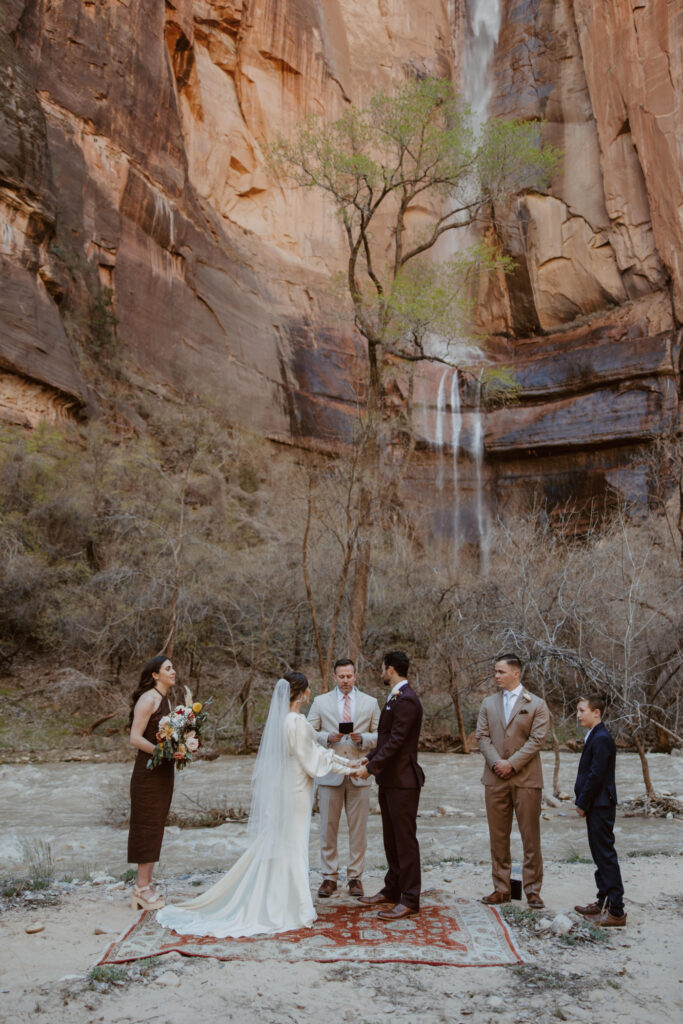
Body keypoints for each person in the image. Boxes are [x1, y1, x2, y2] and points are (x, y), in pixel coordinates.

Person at [156, 673, 358, 938]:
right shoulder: (296, 721)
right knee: (293, 843)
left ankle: (283, 900)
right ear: (302, 693)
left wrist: (348, 766)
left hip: (287, 785)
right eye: (308, 689)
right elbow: (314, 759)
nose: (309, 693)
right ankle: (291, 908)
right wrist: (351, 768)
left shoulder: (283, 720)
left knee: (283, 843)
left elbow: (315, 754)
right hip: (295, 789)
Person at [476, 654, 549, 909]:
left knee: (531, 836)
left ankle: (532, 890)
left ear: (515, 673)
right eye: (495, 671)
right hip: (495, 778)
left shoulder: (537, 704)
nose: (496, 676)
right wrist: (498, 763)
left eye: (500, 672)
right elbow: (482, 737)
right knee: (498, 836)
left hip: (527, 780)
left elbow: (537, 740)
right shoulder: (488, 703)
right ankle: (501, 888)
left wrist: (512, 764)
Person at [355, 650, 424, 920]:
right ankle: (393, 889)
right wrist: (368, 758)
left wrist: (370, 769)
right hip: (390, 780)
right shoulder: (396, 697)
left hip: (404, 781)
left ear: (391, 669)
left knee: (405, 841)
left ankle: (410, 899)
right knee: (391, 839)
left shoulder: (406, 700)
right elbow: (387, 740)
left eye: (383, 668)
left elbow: (397, 742)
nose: (381, 672)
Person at [307, 658, 380, 898]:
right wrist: (328, 737)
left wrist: (365, 739)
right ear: (334, 677)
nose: (346, 680)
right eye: (341, 676)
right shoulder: (320, 702)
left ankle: (355, 877)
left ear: (356, 676)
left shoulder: (370, 702)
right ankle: (329, 877)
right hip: (330, 773)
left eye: (349, 676)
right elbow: (308, 732)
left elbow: (382, 735)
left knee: (358, 829)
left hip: (360, 771)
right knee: (328, 827)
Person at [128, 654, 177, 911]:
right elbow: (135, 738)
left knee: (156, 825)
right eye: (168, 668)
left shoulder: (165, 699)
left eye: (173, 667)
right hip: (147, 773)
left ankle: (146, 883)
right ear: (155, 675)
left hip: (162, 773)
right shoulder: (148, 699)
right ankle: (140, 888)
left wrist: (179, 748)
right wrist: (162, 753)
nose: (173, 671)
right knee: (146, 826)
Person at [573, 695, 626, 927]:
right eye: (578, 710)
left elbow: (596, 775)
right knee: (599, 854)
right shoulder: (594, 734)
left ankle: (616, 910)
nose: (578, 714)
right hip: (597, 804)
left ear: (597, 712)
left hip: (601, 805)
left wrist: (582, 803)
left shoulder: (602, 737)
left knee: (605, 856)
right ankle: (602, 901)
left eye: (582, 710)